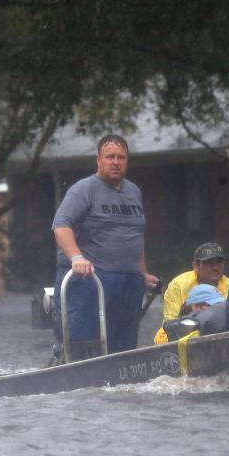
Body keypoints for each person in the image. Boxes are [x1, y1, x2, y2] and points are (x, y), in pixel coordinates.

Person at [51, 134, 160, 357]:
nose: (116, 162)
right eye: (110, 156)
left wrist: (143, 272)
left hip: (129, 284)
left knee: (124, 349)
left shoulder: (133, 192)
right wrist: (76, 258)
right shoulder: (84, 189)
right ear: (98, 160)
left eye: (121, 157)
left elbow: (134, 234)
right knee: (85, 347)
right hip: (91, 281)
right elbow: (61, 226)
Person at [153, 242, 229, 344]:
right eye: (209, 262)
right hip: (183, 334)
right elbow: (170, 323)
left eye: (219, 262)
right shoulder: (178, 284)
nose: (215, 267)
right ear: (196, 265)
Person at [161, 283, 228, 342]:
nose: (217, 308)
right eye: (212, 305)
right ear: (195, 307)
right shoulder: (176, 331)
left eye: (219, 304)